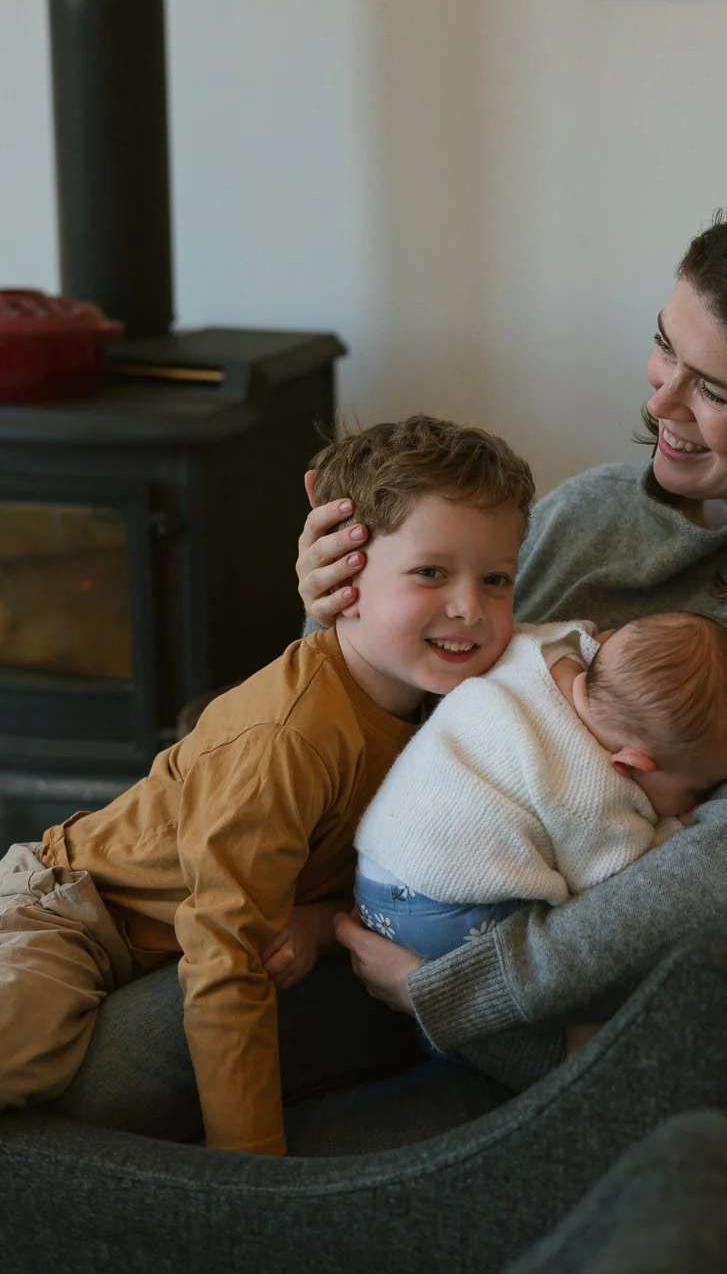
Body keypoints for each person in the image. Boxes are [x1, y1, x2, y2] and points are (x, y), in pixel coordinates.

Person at [42, 196, 727, 1150]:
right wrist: (341, 604)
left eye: (714, 390)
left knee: (117, 1085)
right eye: (665, 346)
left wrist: (463, 985)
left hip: (533, 1006)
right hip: (379, 904)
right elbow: (417, 709)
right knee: (96, 1066)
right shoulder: (597, 516)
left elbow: (720, 870)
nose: (659, 398)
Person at [0, 415, 534, 1154]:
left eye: (496, 579)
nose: (470, 607)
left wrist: (317, 923)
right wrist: (250, 1170)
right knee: (15, 1062)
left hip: (151, 939)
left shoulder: (443, 712)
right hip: (71, 913)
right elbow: (224, 958)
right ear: (344, 572)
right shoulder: (293, 736)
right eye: (431, 573)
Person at [351, 608, 727, 958]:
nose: (700, 798)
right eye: (697, 788)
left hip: (375, 860)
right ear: (633, 764)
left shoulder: (538, 649)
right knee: (560, 960)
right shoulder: (597, 795)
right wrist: (675, 827)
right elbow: (613, 878)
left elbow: (579, 638)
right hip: (443, 908)